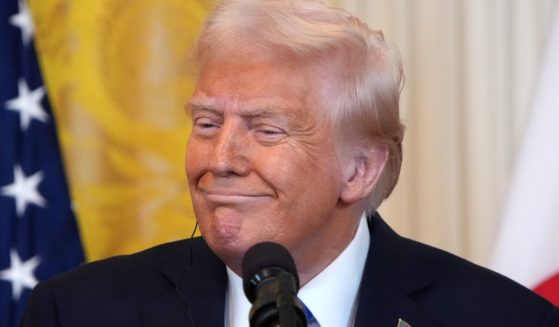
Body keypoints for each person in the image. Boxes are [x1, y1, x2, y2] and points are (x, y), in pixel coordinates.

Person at [20, 0, 559, 326]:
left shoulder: (503, 322)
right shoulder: (78, 315)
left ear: (359, 170)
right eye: (207, 123)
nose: (220, 160)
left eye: (266, 129)